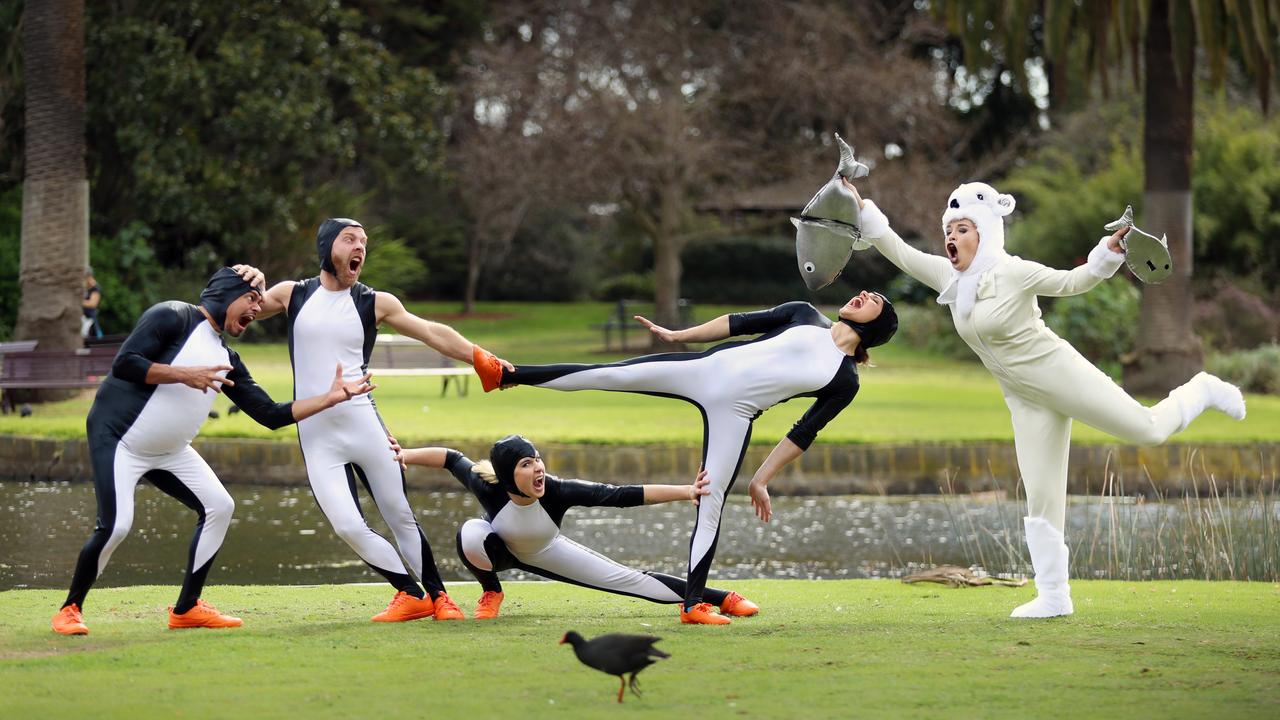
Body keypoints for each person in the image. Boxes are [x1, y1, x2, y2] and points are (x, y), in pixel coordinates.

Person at [847, 178, 1247, 618]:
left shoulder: (1014, 271)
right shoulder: (951, 279)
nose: (952, 237)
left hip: (1058, 373)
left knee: (1147, 430)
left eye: (964, 229)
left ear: (986, 233)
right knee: (1041, 494)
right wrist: (862, 206)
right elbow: (899, 251)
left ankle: (1203, 388)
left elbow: (1072, 282)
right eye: (950, 229)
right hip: (1024, 399)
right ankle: (1054, 596)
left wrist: (1104, 257)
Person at [474, 292, 898, 624]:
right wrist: (679, 336)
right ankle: (505, 375)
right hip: (704, 370)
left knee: (710, 505)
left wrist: (761, 479)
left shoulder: (845, 379)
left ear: (876, 326)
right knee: (608, 373)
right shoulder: (804, 314)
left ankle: (693, 604)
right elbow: (737, 324)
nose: (862, 294)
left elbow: (803, 433)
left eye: (873, 300)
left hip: (735, 412)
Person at [52, 267, 374, 635]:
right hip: (120, 440)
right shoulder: (172, 315)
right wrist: (185, 375)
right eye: (251, 299)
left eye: (260, 302)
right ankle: (70, 609)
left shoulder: (227, 357)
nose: (257, 308)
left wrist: (329, 399)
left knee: (220, 506)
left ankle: (187, 608)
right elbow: (125, 364)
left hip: (170, 451)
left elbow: (269, 415)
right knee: (117, 525)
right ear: (225, 294)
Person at [253, 218, 512, 623]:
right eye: (350, 239)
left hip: (364, 428)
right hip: (318, 437)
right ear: (326, 247)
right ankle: (410, 594)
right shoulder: (292, 294)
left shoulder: (375, 302)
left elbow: (431, 332)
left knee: (399, 514)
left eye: (364, 242)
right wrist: (242, 280)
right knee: (347, 526)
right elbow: (240, 312)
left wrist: (482, 357)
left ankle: (441, 598)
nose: (360, 247)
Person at [392, 435, 760, 621]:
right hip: (499, 551)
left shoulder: (556, 489)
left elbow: (620, 495)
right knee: (471, 532)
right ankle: (492, 592)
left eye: (537, 459)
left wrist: (684, 491)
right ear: (507, 475)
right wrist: (401, 456)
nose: (538, 468)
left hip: (548, 551)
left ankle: (722, 598)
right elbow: (450, 458)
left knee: (629, 579)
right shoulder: (485, 483)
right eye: (525, 464)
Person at [82, 267, 103, 338]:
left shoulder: (95, 288)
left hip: (90, 321)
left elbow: (92, 304)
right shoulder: (86, 288)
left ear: (89, 277)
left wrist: (77, 302)